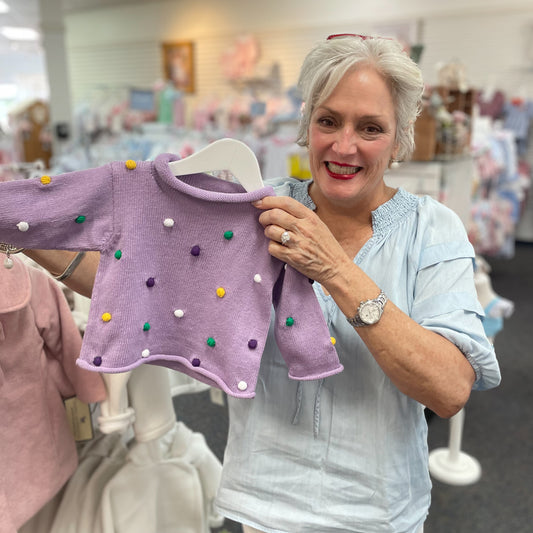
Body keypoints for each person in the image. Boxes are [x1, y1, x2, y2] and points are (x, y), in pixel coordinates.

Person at [4, 34, 500, 533]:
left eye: (370, 128)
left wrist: (335, 270)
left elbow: (450, 389)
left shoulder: (432, 230)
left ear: (399, 140)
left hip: (378, 511)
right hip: (263, 501)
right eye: (328, 121)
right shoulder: (255, 211)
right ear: (308, 125)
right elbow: (143, 283)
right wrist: (17, 227)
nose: (344, 145)